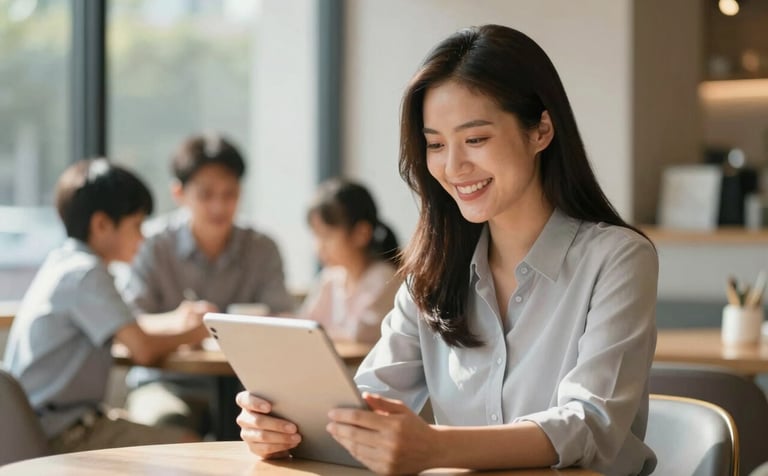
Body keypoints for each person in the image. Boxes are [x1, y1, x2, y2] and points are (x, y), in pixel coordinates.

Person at [235, 24, 658, 475]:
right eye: (435, 144)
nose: (453, 167)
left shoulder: (617, 258)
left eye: (475, 139)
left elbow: (590, 424)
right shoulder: (430, 273)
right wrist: (285, 426)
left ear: (541, 130)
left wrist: (437, 448)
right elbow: (360, 409)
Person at [2, 158, 207, 454]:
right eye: (136, 225)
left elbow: (126, 328)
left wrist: (176, 321)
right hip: (64, 434)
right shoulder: (88, 274)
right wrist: (199, 332)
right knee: (193, 449)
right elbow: (142, 348)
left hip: (36, 428)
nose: (142, 237)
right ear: (101, 225)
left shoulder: (64, 264)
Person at [119, 133, 295, 436]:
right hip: (166, 380)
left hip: (249, 385)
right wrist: (177, 322)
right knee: (163, 425)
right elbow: (130, 324)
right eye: (206, 195)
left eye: (230, 194)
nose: (219, 206)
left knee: (286, 426)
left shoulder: (262, 247)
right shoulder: (152, 245)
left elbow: (283, 319)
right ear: (179, 193)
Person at [298, 178, 402, 344]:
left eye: (326, 235)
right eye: (315, 236)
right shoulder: (331, 277)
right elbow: (303, 326)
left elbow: (363, 336)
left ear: (361, 233)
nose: (319, 246)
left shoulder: (384, 278)